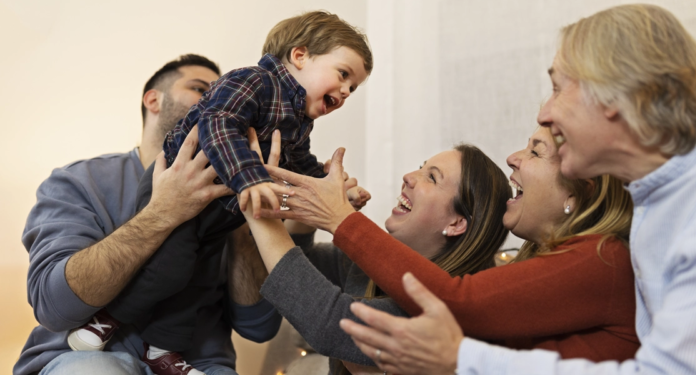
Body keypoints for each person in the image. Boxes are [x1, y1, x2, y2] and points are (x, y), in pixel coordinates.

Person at [342, 4, 696, 375]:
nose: (545, 113)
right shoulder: (662, 203)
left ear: (614, 91)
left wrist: (462, 360)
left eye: (558, 88)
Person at [67, 10, 373, 375]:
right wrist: (251, 177)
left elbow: (297, 162)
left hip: (216, 209)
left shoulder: (299, 122)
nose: (345, 91)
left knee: (199, 275)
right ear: (300, 55)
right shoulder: (254, 81)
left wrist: (329, 190)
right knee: (169, 268)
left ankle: (163, 349)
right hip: (174, 189)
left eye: (353, 88)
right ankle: (107, 318)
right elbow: (218, 123)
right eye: (343, 75)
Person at [256, 125, 640, 370]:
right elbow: (292, 272)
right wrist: (306, 218)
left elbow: (455, 302)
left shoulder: (601, 257)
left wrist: (333, 217)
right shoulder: (549, 261)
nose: (514, 158)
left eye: (535, 152)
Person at [16, 55, 282, 375]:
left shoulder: (232, 192)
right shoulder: (77, 181)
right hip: (81, 358)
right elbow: (54, 307)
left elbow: (258, 328)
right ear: (153, 100)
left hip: (199, 366)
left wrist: (247, 216)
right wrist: (163, 212)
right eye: (201, 89)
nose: (219, 102)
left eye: (225, 94)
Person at [245, 131, 511, 374]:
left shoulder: (440, 307)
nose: (409, 176)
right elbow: (300, 268)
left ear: (456, 223)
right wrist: (310, 205)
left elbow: (330, 325)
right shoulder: (370, 268)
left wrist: (251, 192)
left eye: (431, 177)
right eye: (421, 167)